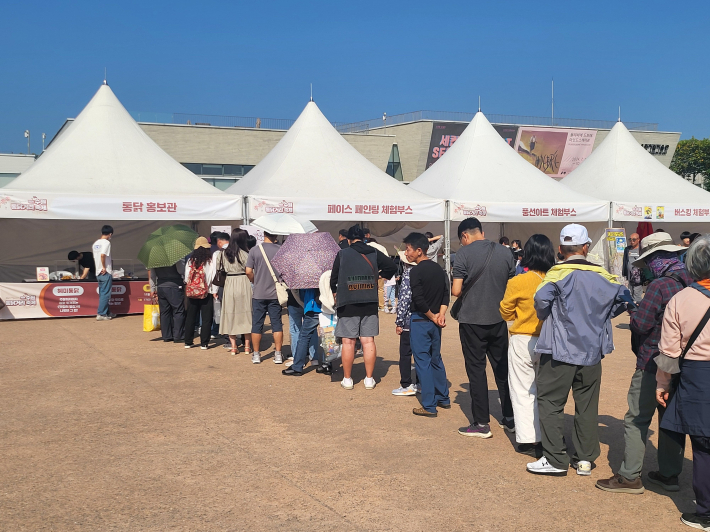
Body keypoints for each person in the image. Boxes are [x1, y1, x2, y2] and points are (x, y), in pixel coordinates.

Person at [526, 224, 632, 477]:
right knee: (586, 404)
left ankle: (555, 458)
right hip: (592, 351)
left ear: (561, 249)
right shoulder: (604, 275)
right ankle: (584, 459)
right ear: (586, 247)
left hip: (560, 350)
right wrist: (603, 316)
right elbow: (625, 299)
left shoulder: (557, 273)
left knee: (550, 402)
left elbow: (541, 299)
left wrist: (547, 315)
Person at [596, 232, 689, 494]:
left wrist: (631, 306)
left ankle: (629, 477)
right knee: (671, 420)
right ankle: (669, 475)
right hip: (686, 363)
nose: (647, 267)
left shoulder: (661, 286)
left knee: (637, 418)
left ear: (657, 259)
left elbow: (641, 324)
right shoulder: (693, 281)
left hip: (653, 360)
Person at [655, 235, 710, 530]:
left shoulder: (681, 299)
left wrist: (662, 384)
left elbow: (669, 352)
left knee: (704, 445)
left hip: (698, 376)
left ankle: (706, 512)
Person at [452, 217, 515, 439]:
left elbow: (456, 290)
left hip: (471, 320)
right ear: (481, 231)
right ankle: (510, 417)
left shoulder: (463, 254)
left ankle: (481, 423)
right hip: (498, 319)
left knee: (476, 370)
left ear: (465, 236)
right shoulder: (505, 252)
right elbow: (510, 284)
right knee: (502, 369)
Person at [499, 234, 556, 457]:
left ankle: (528, 438)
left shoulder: (517, 281)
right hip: (550, 340)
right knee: (547, 391)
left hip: (522, 338)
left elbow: (505, 310)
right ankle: (548, 435)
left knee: (523, 390)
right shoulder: (554, 279)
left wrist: (516, 315)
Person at [330, 224, 397, 390]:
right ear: (364, 237)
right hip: (369, 300)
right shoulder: (373, 252)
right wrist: (379, 275)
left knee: (348, 342)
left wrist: (334, 292)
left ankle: (347, 379)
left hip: (348, 301)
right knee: (368, 341)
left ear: (349, 239)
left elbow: (333, 278)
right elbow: (392, 266)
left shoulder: (342, 254)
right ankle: (369, 379)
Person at [404, 233, 451, 417]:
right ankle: (443, 397)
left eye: (408, 249)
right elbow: (446, 295)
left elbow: (419, 300)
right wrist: (441, 314)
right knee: (436, 358)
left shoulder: (415, 271)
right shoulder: (440, 270)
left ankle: (429, 405)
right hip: (436, 322)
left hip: (421, 320)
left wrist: (432, 316)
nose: (406, 253)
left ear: (419, 250)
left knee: (422, 362)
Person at [246, 231, 284, 364]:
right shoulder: (281, 250)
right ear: (276, 235)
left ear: (263, 234)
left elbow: (248, 271)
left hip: (259, 293)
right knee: (277, 324)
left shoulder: (254, 250)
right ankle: (278, 354)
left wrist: (255, 281)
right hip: (275, 293)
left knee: (257, 324)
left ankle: (256, 354)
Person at [218, 229, 253, 355]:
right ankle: (247, 346)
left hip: (229, 283)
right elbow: (250, 269)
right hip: (243, 281)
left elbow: (219, 268)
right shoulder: (245, 254)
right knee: (246, 314)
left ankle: (233, 347)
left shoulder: (222, 254)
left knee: (230, 313)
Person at [392, 251, 420, 396]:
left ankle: (406, 383)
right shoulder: (426, 271)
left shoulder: (408, 274)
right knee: (421, 354)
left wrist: (399, 321)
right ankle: (421, 383)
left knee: (405, 354)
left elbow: (404, 299)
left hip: (409, 320)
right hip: (424, 320)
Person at [282, 288, 323, 376]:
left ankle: (297, 365)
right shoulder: (324, 275)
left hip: (312, 306)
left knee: (304, 335)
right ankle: (325, 362)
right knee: (327, 335)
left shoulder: (304, 279)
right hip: (326, 306)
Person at [184, 237, 216, 350]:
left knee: (191, 317)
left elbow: (186, 277)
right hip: (206, 292)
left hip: (192, 292)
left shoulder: (190, 261)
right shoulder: (210, 260)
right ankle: (204, 343)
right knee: (207, 318)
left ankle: (188, 341)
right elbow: (212, 276)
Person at [149, 257, 186, 343]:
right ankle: (178, 335)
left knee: (164, 312)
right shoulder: (175, 256)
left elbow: (152, 275)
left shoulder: (155, 258)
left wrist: (152, 288)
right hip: (174, 285)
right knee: (178, 310)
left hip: (161, 286)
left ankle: (166, 335)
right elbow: (181, 270)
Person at [93, 225, 114, 321]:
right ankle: (101, 314)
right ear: (110, 234)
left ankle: (106, 312)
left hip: (98, 271)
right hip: (105, 271)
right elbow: (102, 255)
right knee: (106, 293)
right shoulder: (106, 243)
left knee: (103, 293)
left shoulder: (96, 243)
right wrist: (104, 267)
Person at [623, 233, 643, 303]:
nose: (632, 241)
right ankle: (633, 307)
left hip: (638, 277)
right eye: (630, 240)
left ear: (638, 240)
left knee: (637, 293)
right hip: (630, 276)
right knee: (631, 292)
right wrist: (624, 272)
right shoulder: (627, 249)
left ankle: (637, 308)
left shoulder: (641, 249)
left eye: (634, 240)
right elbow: (625, 261)